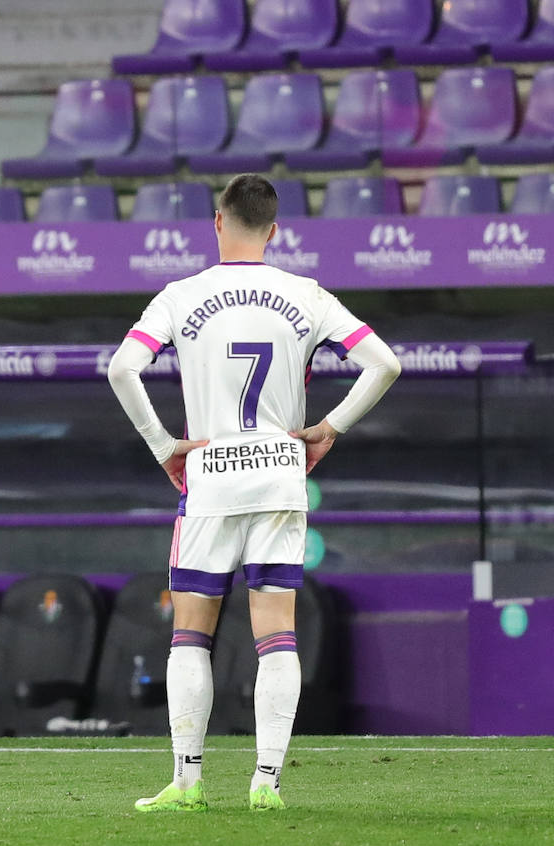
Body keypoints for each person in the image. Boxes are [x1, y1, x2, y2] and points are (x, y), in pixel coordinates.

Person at [108, 174, 401, 811]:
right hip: (278, 473)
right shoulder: (306, 294)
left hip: (209, 476)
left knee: (190, 635)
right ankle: (266, 785)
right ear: (273, 230)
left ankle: (187, 782)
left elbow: (121, 368)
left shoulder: (180, 296)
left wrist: (163, 445)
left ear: (218, 221)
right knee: (277, 635)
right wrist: (328, 430)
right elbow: (385, 362)